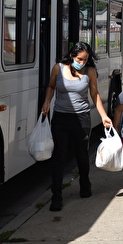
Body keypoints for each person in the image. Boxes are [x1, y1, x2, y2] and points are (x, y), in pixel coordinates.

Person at [41, 42, 112, 211]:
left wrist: (104, 116)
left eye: (85, 59)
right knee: (59, 156)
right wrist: (47, 101)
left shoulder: (90, 71)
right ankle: (56, 195)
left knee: (81, 155)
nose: (82, 62)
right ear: (72, 56)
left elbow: (94, 95)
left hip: (81, 119)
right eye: (80, 59)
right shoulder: (58, 68)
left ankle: (84, 183)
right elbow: (51, 86)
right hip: (61, 118)